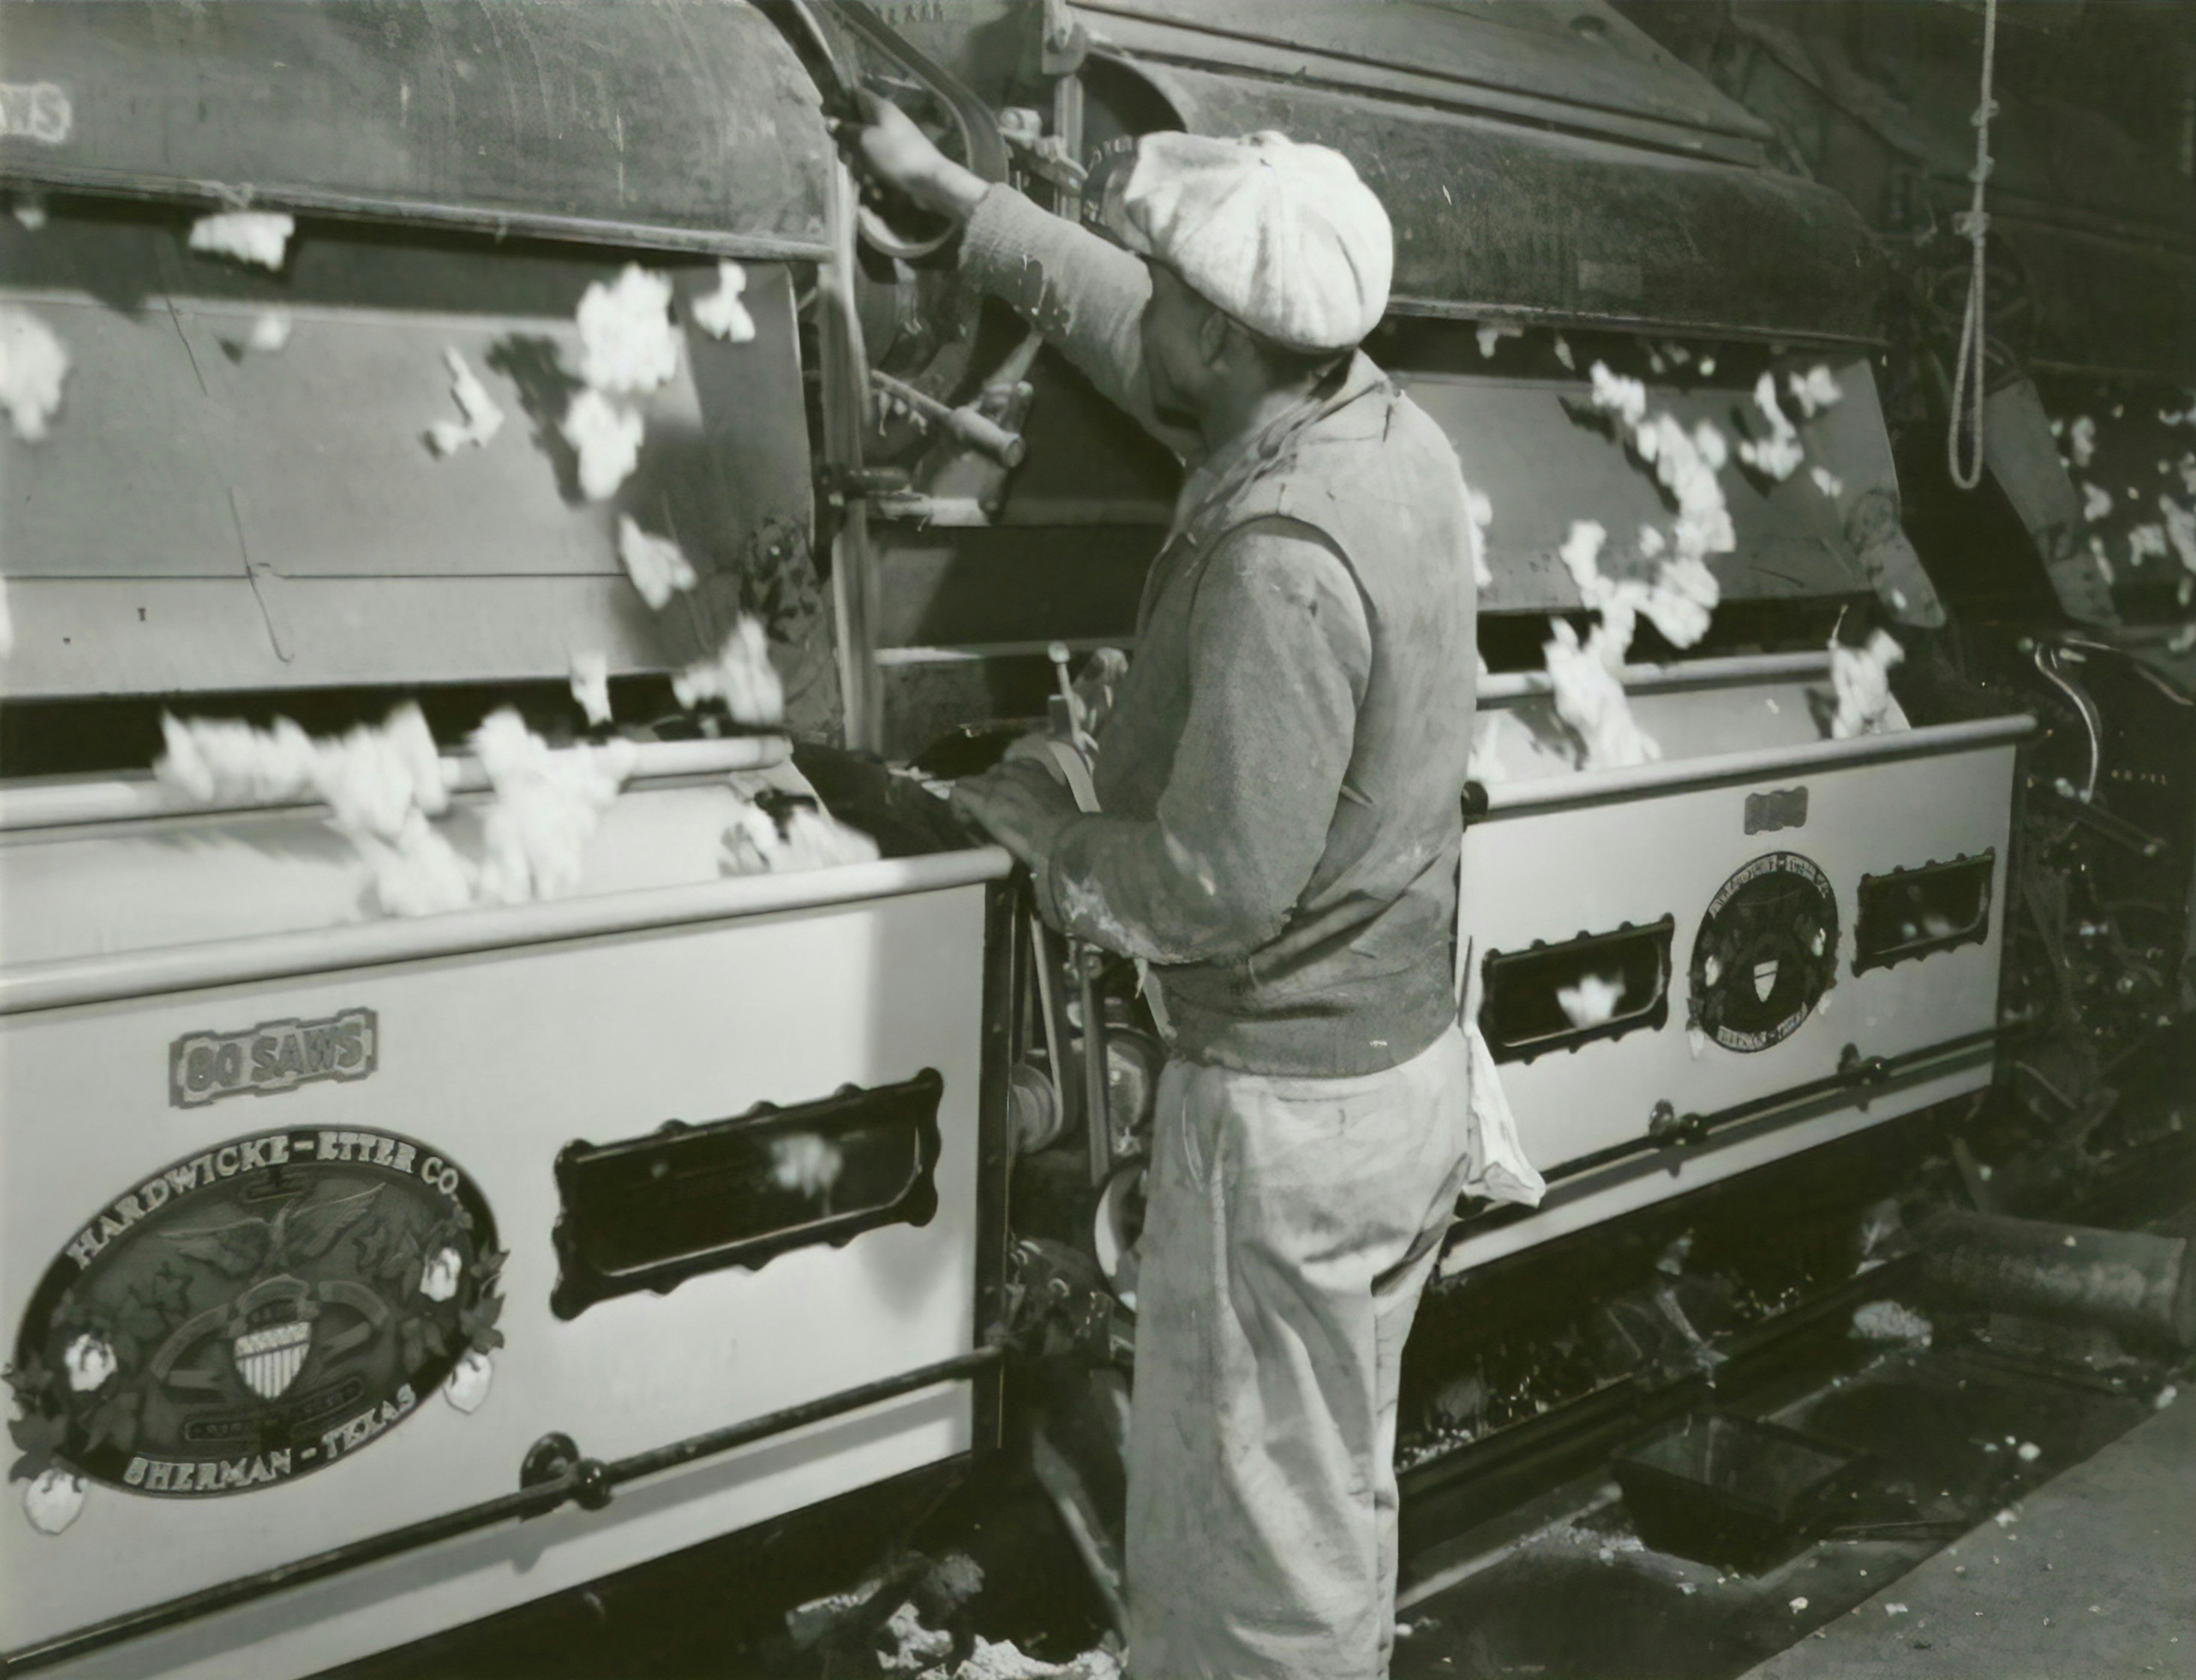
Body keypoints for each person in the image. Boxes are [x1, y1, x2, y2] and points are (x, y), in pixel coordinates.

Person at [846, 94, 1480, 1679]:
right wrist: (952, 203)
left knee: (1253, 1558)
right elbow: (1140, 339)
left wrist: (1045, 832)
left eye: (1179, 298)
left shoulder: (1282, 560)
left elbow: (1209, 885)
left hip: (1290, 1122)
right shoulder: (1382, 429)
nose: (1159, 316)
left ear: (1234, 339)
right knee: (1320, 1494)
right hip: (1400, 1071)